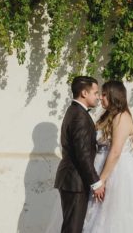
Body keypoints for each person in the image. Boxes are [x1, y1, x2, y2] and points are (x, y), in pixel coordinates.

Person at [82, 80, 133, 232]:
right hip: (102, 166)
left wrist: (101, 181)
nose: (100, 98)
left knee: (112, 214)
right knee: (97, 213)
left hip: (118, 171)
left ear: (114, 96)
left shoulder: (122, 117)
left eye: (104, 95)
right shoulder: (108, 116)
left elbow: (116, 151)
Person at [52, 76, 105, 233]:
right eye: (95, 92)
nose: (98, 97)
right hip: (74, 181)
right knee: (73, 228)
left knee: (72, 226)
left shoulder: (75, 111)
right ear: (84, 93)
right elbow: (82, 154)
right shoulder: (80, 116)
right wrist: (96, 183)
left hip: (72, 180)